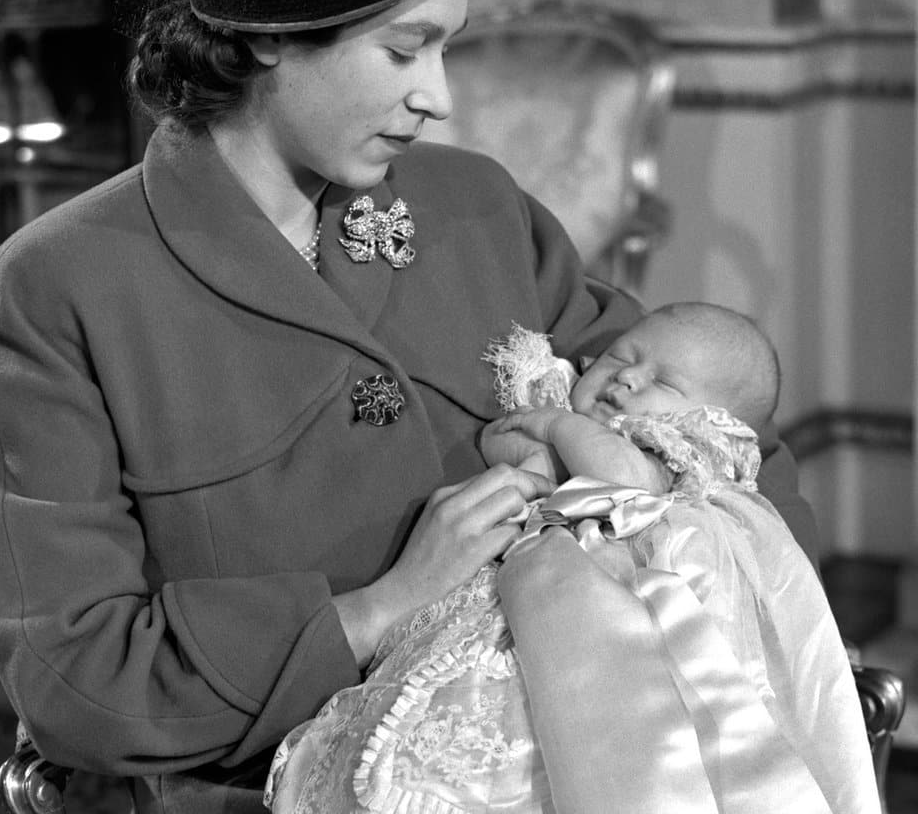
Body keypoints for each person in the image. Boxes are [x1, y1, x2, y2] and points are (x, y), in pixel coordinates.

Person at [0, 0, 817, 813]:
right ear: (268, 29)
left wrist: (728, 582)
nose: (438, 95)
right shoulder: (58, 293)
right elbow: (77, 677)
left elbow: (721, 436)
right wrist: (372, 613)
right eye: (404, 50)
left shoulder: (475, 210)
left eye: (446, 45)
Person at [264, 304, 878, 814]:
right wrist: (534, 439)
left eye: (663, 381)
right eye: (620, 358)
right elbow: (497, 440)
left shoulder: (678, 447)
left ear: (710, 415)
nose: (627, 379)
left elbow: (620, 475)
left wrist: (556, 427)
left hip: (618, 615)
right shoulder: (578, 414)